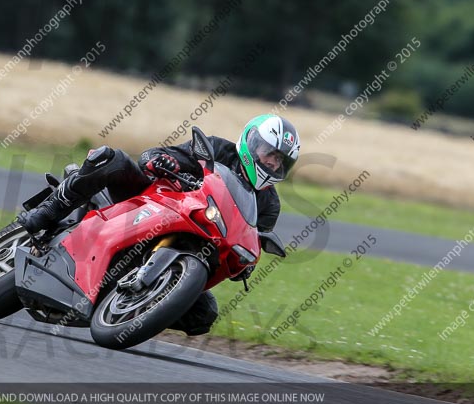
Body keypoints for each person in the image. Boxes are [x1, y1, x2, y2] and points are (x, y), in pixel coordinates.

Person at [17, 114, 301, 335]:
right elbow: (160, 155)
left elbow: (251, 236)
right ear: (252, 143)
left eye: (280, 162)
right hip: (150, 201)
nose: (272, 164)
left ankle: (132, 310)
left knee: (203, 315)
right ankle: (48, 212)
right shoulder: (216, 149)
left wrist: (246, 263)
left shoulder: (269, 204)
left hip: (199, 239)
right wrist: (160, 160)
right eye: (269, 153)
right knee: (111, 158)